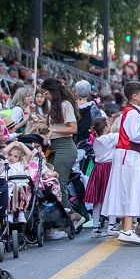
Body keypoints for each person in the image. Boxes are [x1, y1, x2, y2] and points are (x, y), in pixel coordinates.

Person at [102, 82, 140, 245]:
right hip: (129, 155)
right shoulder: (133, 113)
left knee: (128, 189)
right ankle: (127, 230)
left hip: (129, 155)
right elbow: (134, 135)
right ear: (134, 96)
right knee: (130, 189)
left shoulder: (134, 112)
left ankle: (126, 228)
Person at [44, 78, 83, 228]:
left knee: (59, 183)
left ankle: (72, 216)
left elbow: (73, 128)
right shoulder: (55, 105)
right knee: (53, 183)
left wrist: (53, 130)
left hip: (65, 148)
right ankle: (65, 217)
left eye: (45, 92)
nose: (45, 95)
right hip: (57, 147)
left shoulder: (64, 105)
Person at [85, 117, 119, 238]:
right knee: (112, 197)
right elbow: (121, 135)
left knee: (97, 200)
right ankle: (111, 226)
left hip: (98, 168)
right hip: (109, 168)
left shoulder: (96, 139)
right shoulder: (109, 138)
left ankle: (95, 228)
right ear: (105, 128)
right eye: (108, 124)